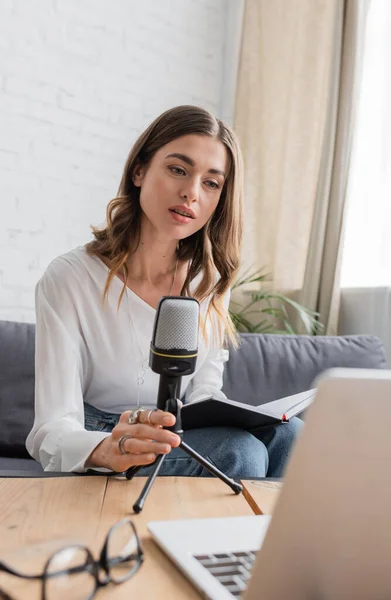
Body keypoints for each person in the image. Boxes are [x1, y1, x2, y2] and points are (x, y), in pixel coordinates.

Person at [26, 105, 302, 477]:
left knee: (292, 436)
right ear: (139, 170)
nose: (191, 193)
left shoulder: (208, 282)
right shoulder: (70, 278)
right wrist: (107, 447)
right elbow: (51, 430)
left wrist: (230, 415)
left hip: (175, 430)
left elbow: (204, 393)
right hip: (109, 437)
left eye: (211, 183)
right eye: (178, 170)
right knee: (240, 454)